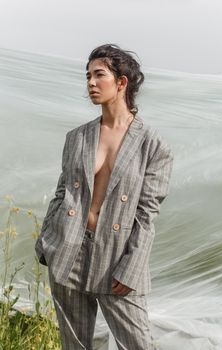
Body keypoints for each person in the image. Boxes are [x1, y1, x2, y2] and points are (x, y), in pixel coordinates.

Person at [35, 43, 174, 350]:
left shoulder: (153, 145)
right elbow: (62, 192)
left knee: (137, 345)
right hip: (68, 250)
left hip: (117, 258)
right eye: (88, 76)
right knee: (75, 346)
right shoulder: (78, 137)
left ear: (121, 82)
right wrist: (46, 242)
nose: (90, 83)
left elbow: (146, 213)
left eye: (99, 75)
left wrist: (132, 266)